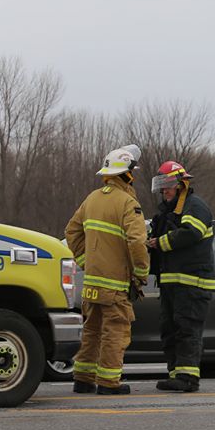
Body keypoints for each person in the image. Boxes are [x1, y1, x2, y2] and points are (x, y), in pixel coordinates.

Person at [65, 144, 150, 395]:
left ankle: (83, 378)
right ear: (127, 175)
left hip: (91, 284)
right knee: (116, 332)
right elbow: (137, 242)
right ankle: (108, 382)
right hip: (115, 286)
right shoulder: (128, 203)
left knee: (91, 331)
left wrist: (85, 261)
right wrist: (141, 273)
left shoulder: (91, 199)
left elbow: (71, 231)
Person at [147, 160, 215, 392]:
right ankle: (176, 374)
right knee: (170, 330)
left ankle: (188, 378)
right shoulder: (169, 212)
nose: (164, 191)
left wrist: (160, 242)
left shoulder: (195, 206)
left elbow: (191, 233)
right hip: (172, 284)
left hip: (192, 283)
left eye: (168, 185)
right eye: (161, 186)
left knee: (187, 329)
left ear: (181, 184)